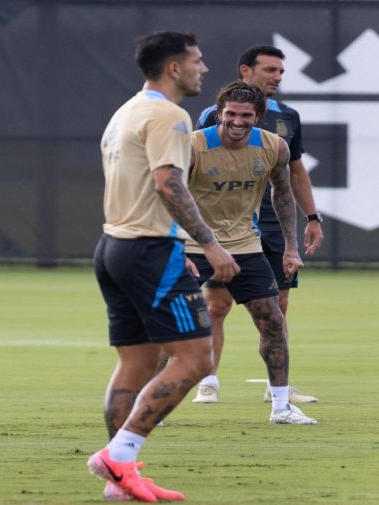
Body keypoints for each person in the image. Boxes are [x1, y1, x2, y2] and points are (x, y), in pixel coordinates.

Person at [86, 32, 239, 503]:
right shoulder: (169, 115)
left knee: (135, 363)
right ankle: (119, 454)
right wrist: (210, 245)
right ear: (174, 67)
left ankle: (119, 478)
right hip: (149, 250)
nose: (203, 68)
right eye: (197, 60)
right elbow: (169, 183)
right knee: (196, 359)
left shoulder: (126, 111)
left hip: (114, 246)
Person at [192, 45, 323, 404]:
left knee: (276, 307)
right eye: (270, 70)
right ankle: (208, 380)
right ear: (246, 71)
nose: (277, 77)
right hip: (226, 224)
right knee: (216, 305)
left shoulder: (288, 118)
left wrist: (312, 217)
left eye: (281, 71)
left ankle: (277, 389)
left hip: (273, 223)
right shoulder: (212, 117)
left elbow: (295, 173)